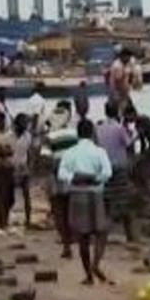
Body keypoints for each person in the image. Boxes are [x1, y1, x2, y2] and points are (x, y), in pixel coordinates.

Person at [56, 119, 113, 285]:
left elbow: (61, 174)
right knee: (101, 231)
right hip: (95, 193)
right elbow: (108, 172)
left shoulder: (70, 152)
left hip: (77, 194)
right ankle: (96, 264)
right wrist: (95, 178)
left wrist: (75, 178)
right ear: (92, 133)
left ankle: (88, 274)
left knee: (83, 237)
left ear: (77, 134)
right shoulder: (99, 151)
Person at [96, 100, 137, 243]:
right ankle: (130, 235)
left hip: (103, 168)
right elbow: (129, 144)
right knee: (124, 201)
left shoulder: (99, 128)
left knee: (106, 201)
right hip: (119, 169)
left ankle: (103, 234)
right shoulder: (119, 128)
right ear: (117, 112)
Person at [44, 101, 78, 259]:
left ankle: (66, 245)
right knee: (71, 211)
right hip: (72, 178)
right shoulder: (74, 134)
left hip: (56, 178)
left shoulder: (49, 137)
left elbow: (45, 160)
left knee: (59, 213)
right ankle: (73, 240)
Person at [11, 113, 34, 228]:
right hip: (11, 167)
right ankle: (6, 218)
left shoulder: (28, 136)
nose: (26, 125)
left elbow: (30, 152)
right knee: (9, 195)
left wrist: (30, 166)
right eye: (24, 122)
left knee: (26, 194)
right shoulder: (10, 136)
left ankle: (28, 219)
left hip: (23, 166)